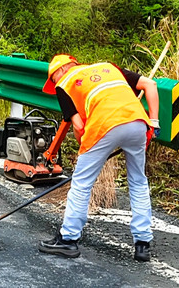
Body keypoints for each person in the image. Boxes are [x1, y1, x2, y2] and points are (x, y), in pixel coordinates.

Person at [38, 54, 160, 262]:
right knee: (138, 181)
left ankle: (68, 240)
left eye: (53, 79)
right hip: (138, 122)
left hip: (103, 126)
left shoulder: (64, 84)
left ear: (60, 71)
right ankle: (142, 245)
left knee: (82, 183)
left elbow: (78, 126)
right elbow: (150, 84)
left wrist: (88, 151)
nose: (55, 83)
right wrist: (154, 121)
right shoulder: (107, 67)